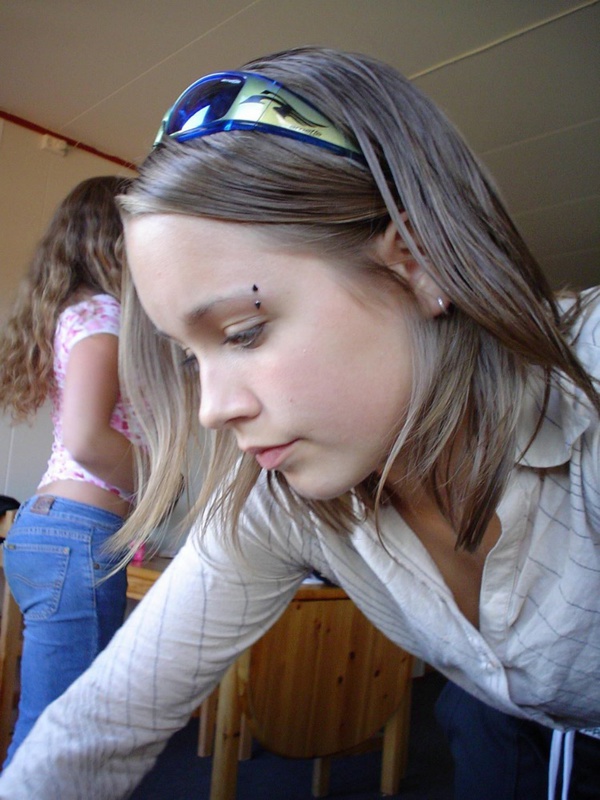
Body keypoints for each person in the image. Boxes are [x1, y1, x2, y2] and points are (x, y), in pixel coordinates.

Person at [0, 46, 598, 799]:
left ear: (416, 263)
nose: (212, 409)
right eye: (189, 357)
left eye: (245, 331)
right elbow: (97, 725)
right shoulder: (278, 504)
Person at [0, 176, 146, 764]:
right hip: (76, 537)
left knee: (49, 730)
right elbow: (88, 439)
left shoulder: (79, 312)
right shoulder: (104, 314)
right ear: (116, 240)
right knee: (57, 741)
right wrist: (160, 485)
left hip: (57, 531)